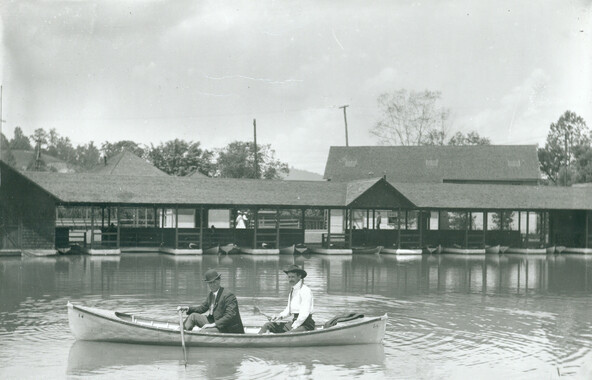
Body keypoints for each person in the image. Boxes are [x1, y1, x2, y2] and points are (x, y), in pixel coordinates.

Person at [179, 269, 244, 333]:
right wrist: (188, 308)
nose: (212, 285)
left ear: (219, 280)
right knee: (193, 316)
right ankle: (181, 333)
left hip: (226, 328)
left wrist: (213, 325)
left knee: (203, 332)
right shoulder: (211, 295)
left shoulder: (228, 295)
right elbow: (202, 308)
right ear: (207, 284)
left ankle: (190, 337)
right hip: (215, 323)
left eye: (214, 282)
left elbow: (230, 315)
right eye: (210, 283)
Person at [258, 265, 314, 334]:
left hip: (306, 325)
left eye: (293, 277)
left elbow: (304, 314)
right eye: (289, 277)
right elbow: (288, 310)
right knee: (268, 325)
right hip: (295, 322)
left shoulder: (305, 290)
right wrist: (279, 316)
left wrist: (294, 326)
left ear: (299, 277)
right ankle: (256, 341)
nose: (290, 279)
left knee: (286, 335)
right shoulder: (292, 291)